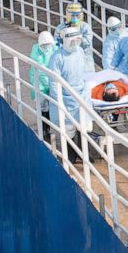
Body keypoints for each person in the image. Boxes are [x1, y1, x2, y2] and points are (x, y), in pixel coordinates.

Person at [47, 26, 88, 164]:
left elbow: (84, 72)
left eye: (77, 41)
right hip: (66, 96)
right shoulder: (57, 57)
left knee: (84, 126)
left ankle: (84, 154)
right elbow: (54, 82)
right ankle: (71, 155)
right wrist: (58, 100)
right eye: (72, 42)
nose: (75, 45)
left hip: (81, 94)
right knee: (68, 129)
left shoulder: (80, 51)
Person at [29, 31, 56, 141]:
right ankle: (43, 129)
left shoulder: (54, 49)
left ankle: (48, 129)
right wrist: (50, 83)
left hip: (50, 82)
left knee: (50, 107)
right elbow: (40, 72)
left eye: (48, 45)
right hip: (39, 84)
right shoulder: (36, 54)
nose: (47, 47)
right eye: (44, 45)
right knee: (42, 106)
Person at [55, 3, 94, 73]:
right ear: (68, 15)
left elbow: (88, 43)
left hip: (85, 62)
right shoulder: (61, 28)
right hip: (66, 60)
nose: (75, 18)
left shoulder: (85, 27)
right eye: (72, 15)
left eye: (77, 15)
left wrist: (78, 39)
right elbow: (57, 44)